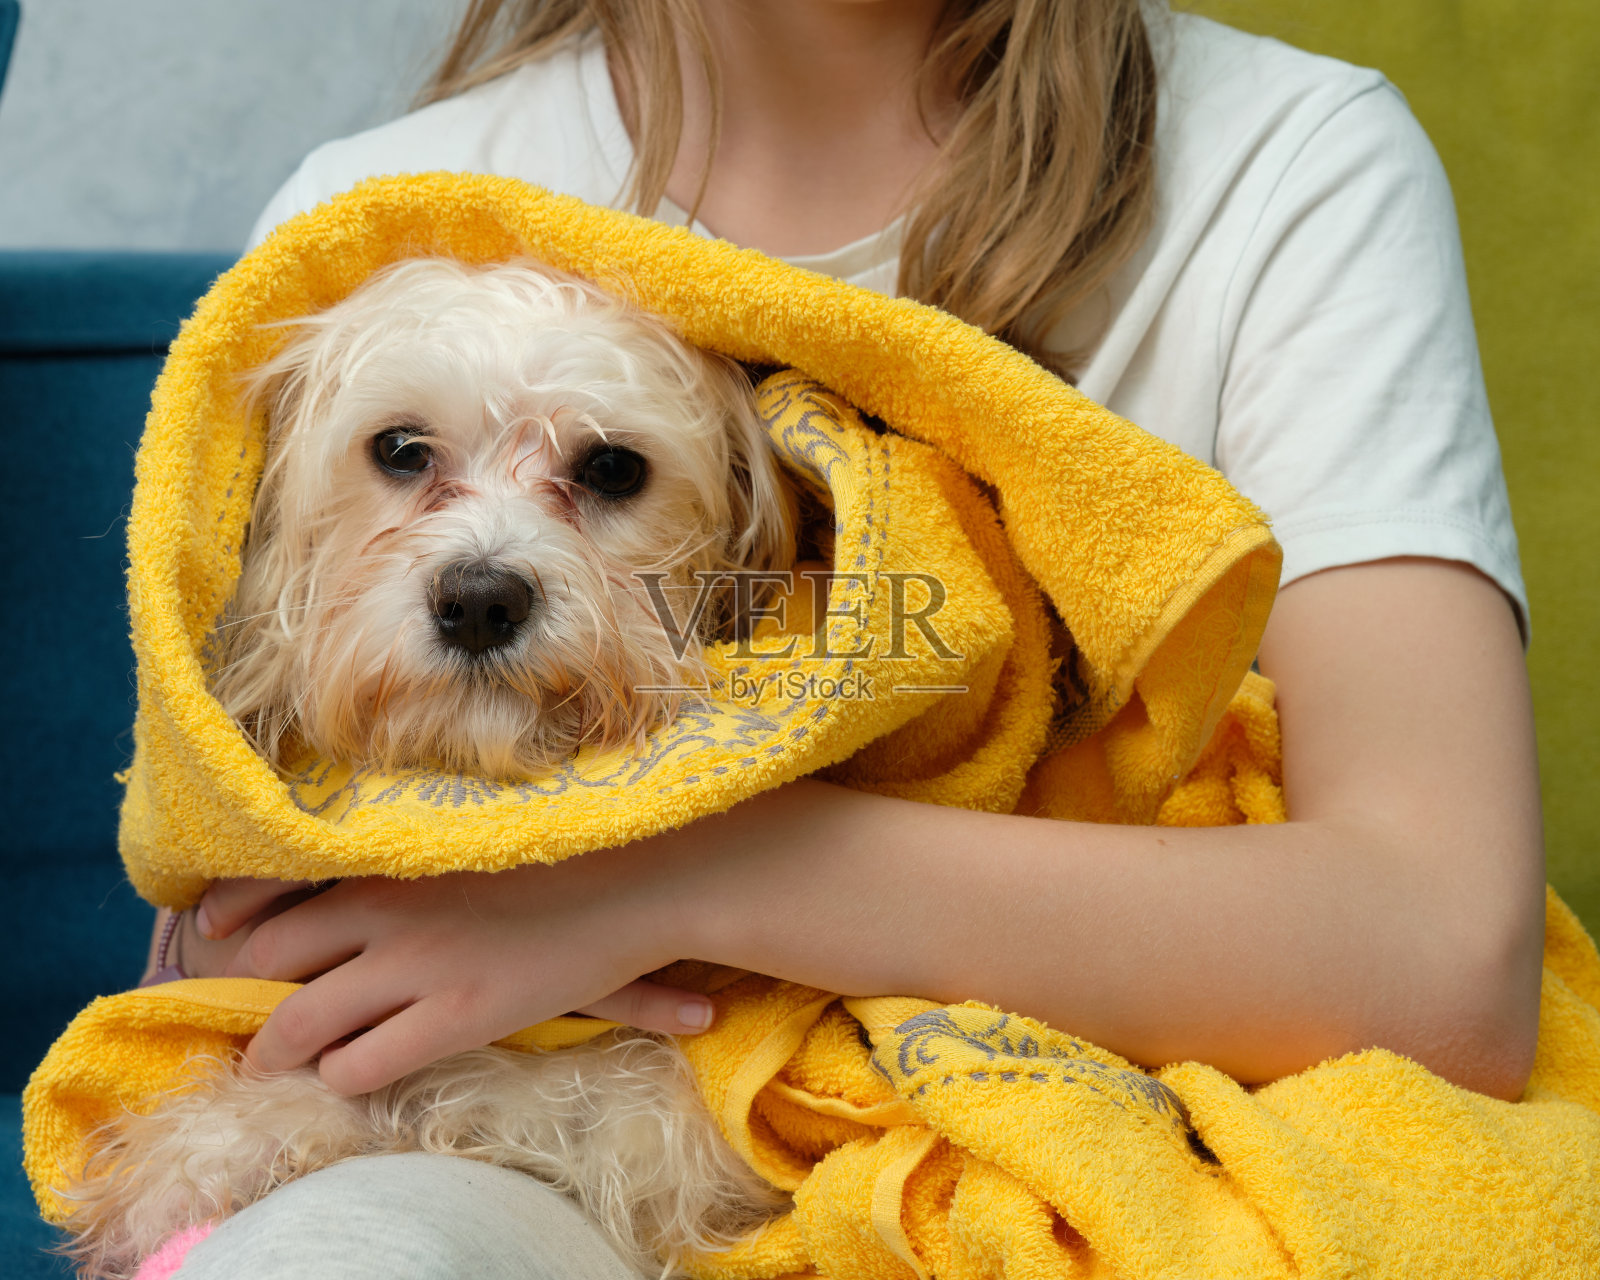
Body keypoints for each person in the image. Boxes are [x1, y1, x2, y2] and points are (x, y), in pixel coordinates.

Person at [150, 1, 1546, 1274]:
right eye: (406, 456)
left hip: (1114, 1115)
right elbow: (223, 940)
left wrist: (659, 875)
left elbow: (1445, 965)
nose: (484, 569)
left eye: (614, 474)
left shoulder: (1291, 167)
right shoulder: (362, 223)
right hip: (511, 1170)